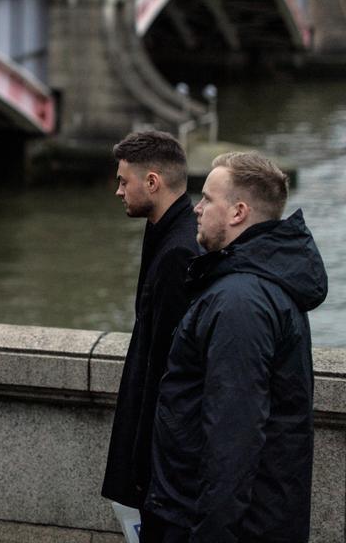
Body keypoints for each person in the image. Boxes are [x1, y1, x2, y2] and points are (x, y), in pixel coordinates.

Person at [144, 152, 327, 543]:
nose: (197, 208)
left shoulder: (239, 302)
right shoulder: (257, 286)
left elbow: (232, 439)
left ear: (238, 212)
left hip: (216, 524)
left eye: (209, 198)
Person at [101, 131, 199, 534]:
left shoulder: (178, 252)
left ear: (153, 182)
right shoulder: (170, 234)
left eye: (125, 181)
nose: (118, 191)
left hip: (163, 464)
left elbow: (166, 367)